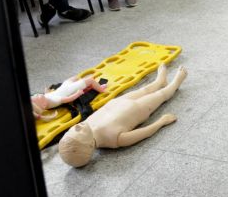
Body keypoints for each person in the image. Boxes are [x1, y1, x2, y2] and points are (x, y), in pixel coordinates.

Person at [59, 64, 187, 168]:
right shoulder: (114, 140)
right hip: (140, 109)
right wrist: (161, 122)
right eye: (77, 133)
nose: (75, 127)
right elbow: (144, 133)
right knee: (161, 95)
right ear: (88, 146)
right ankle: (175, 83)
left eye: (70, 131)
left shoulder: (86, 125)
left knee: (145, 90)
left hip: (120, 102)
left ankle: (159, 81)